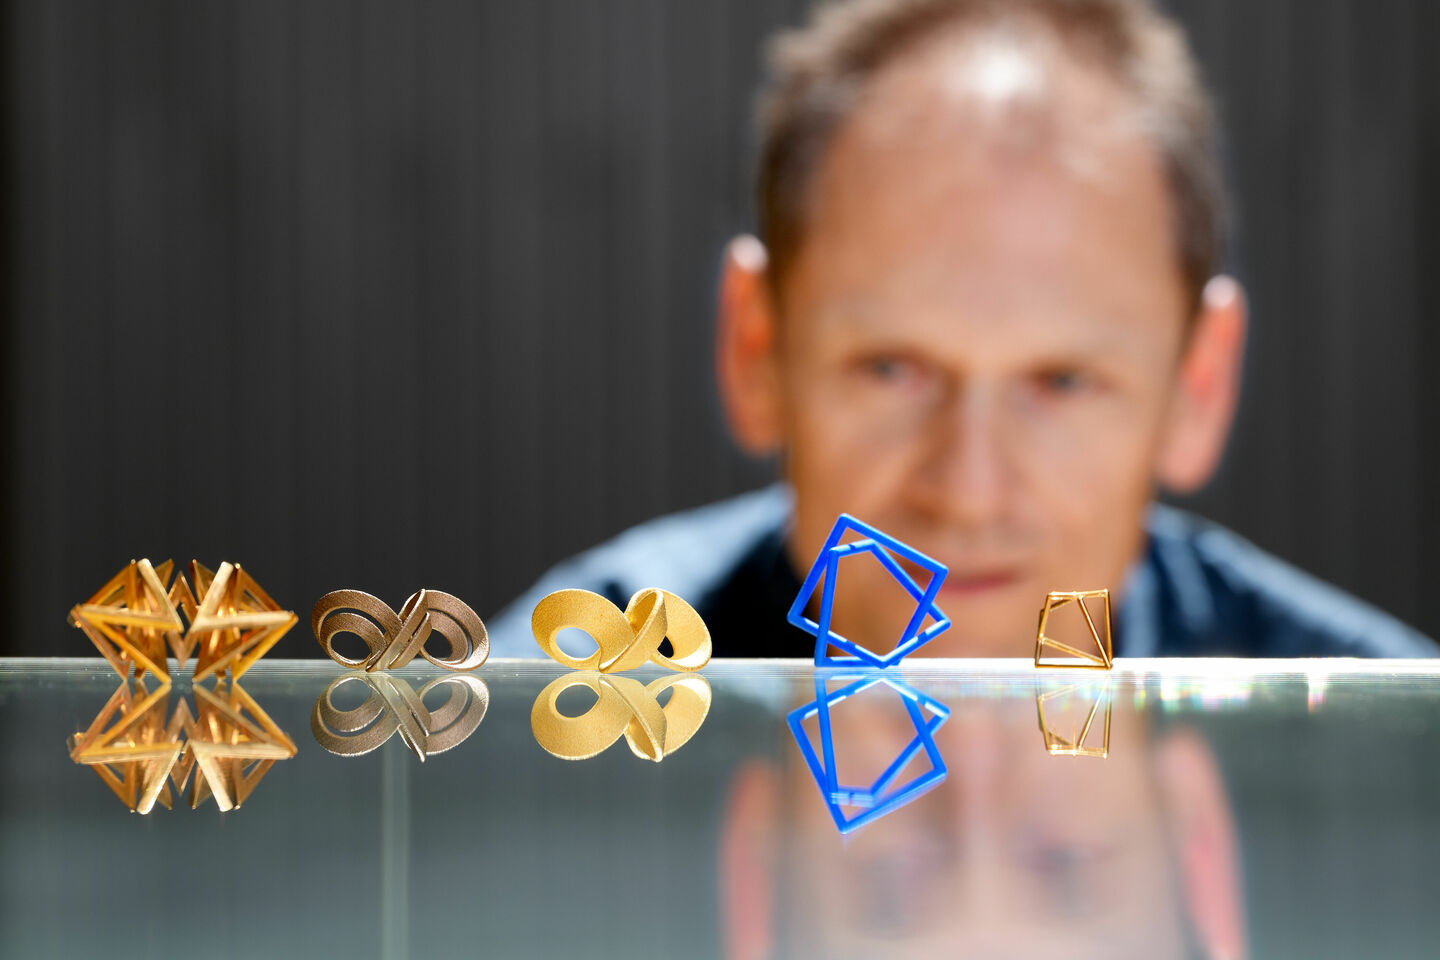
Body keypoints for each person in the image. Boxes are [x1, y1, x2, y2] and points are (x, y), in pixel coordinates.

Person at [488, 0, 1435, 659]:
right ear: (756, 351)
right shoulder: (563, 711)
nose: (970, 496)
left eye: (1063, 381)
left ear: (1200, 386)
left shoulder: (1377, 764)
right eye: (890, 369)